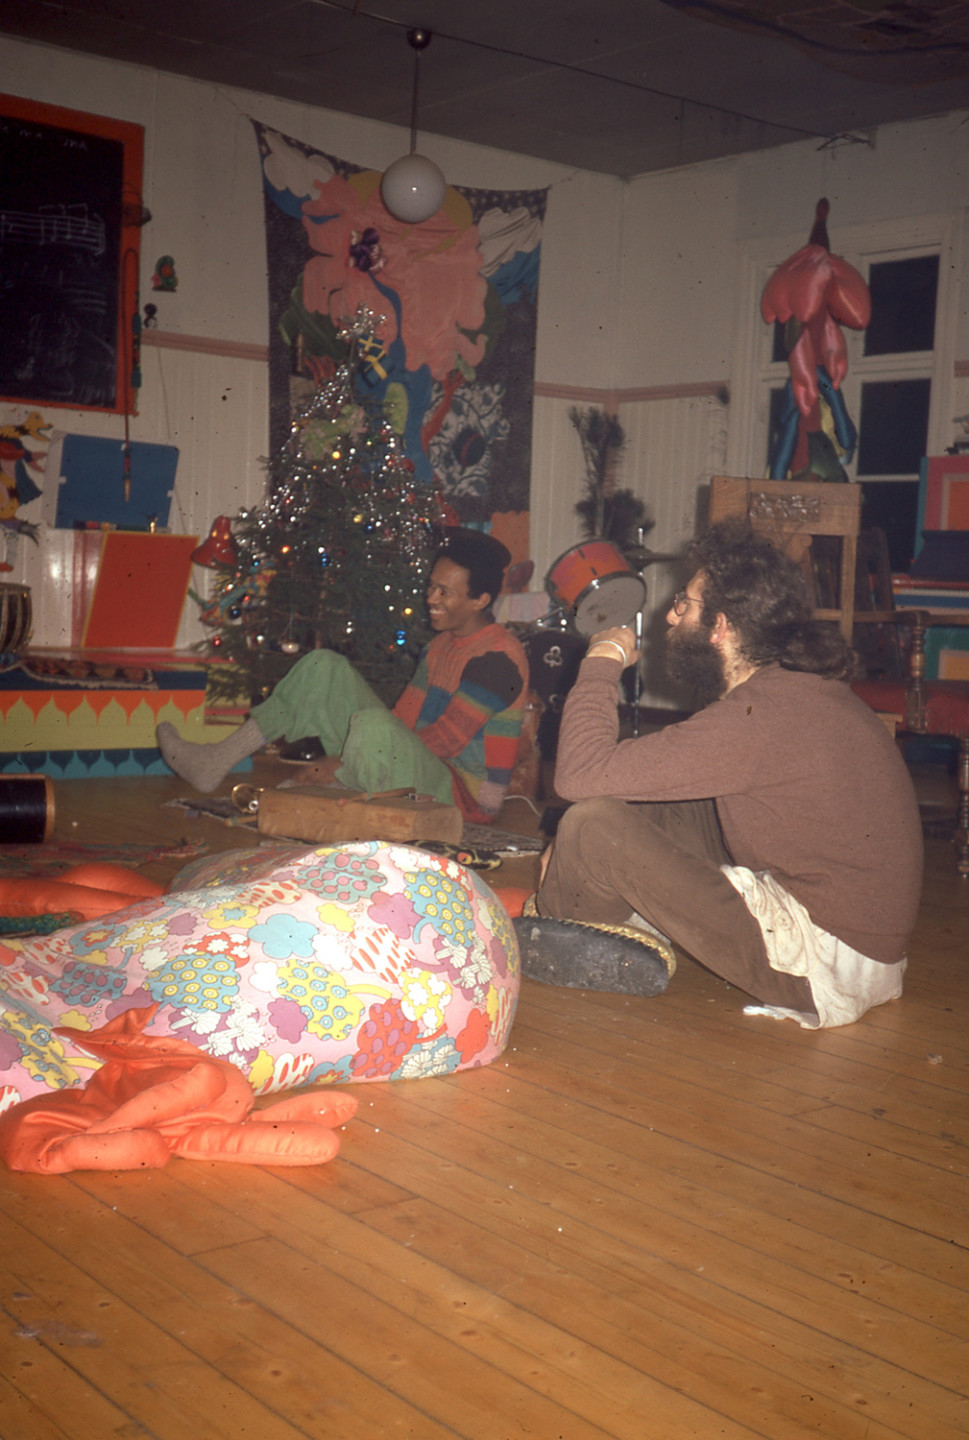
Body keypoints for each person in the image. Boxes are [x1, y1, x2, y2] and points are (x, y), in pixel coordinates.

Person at [515, 518, 924, 1029]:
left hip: (823, 964)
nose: (670, 615)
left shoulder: (758, 718)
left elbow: (576, 775)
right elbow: (627, 777)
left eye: (684, 603)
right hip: (860, 952)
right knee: (660, 803)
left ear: (721, 627)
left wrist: (601, 661)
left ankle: (553, 934)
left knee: (588, 826)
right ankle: (608, 921)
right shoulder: (786, 694)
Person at [156, 530, 529, 825]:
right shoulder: (440, 646)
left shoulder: (499, 657)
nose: (430, 597)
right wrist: (344, 758)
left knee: (370, 725)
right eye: (431, 584)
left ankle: (342, 784)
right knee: (324, 666)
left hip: (462, 797)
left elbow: (445, 741)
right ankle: (217, 760)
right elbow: (403, 721)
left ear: (480, 600)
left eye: (444, 592)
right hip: (425, 769)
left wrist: (341, 762)